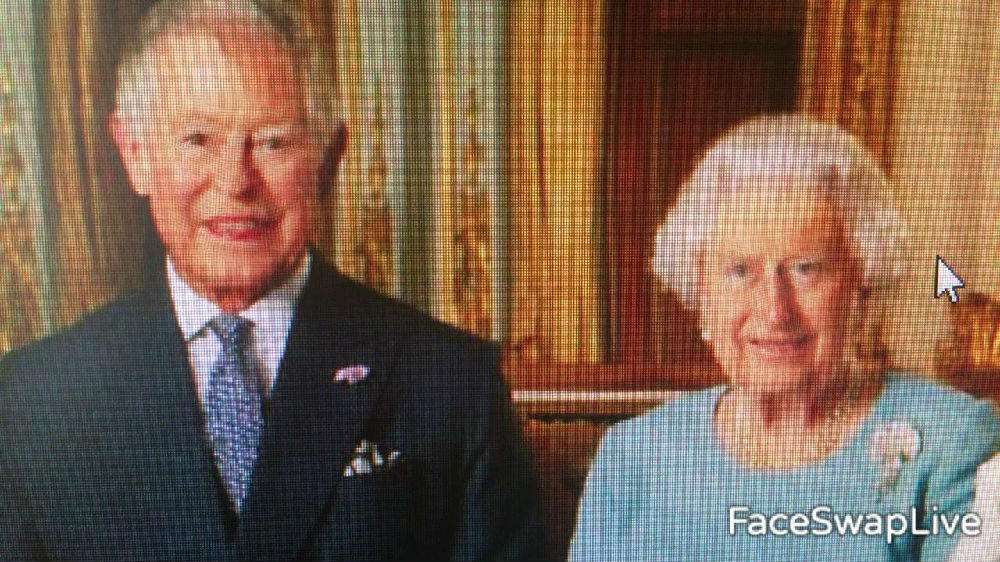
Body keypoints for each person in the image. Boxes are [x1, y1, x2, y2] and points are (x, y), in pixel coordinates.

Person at [0, 2, 548, 561]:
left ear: (328, 158)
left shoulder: (450, 382)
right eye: (198, 139)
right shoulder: (32, 401)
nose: (236, 181)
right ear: (135, 154)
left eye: (272, 142)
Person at [568, 114, 1000, 561]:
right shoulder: (633, 456)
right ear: (701, 294)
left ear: (862, 287)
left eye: (805, 269)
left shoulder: (949, 438)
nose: (775, 309)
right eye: (740, 271)